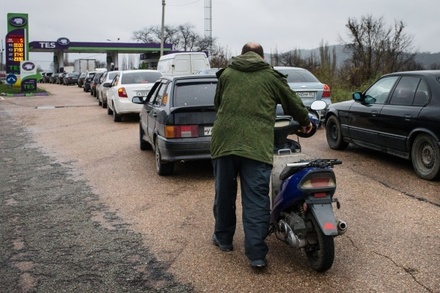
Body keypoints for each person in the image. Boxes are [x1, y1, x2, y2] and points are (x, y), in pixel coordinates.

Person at [211, 42, 312, 269]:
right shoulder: (271, 76)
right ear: (262, 58)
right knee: (256, 199)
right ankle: (256, 256)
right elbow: (293, 103)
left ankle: (224, 239)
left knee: (224, 192)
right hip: (256, 146)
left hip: (224, 142)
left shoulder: (226, 73)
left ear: (242, 54)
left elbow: (217, 105)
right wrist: (305, 122)